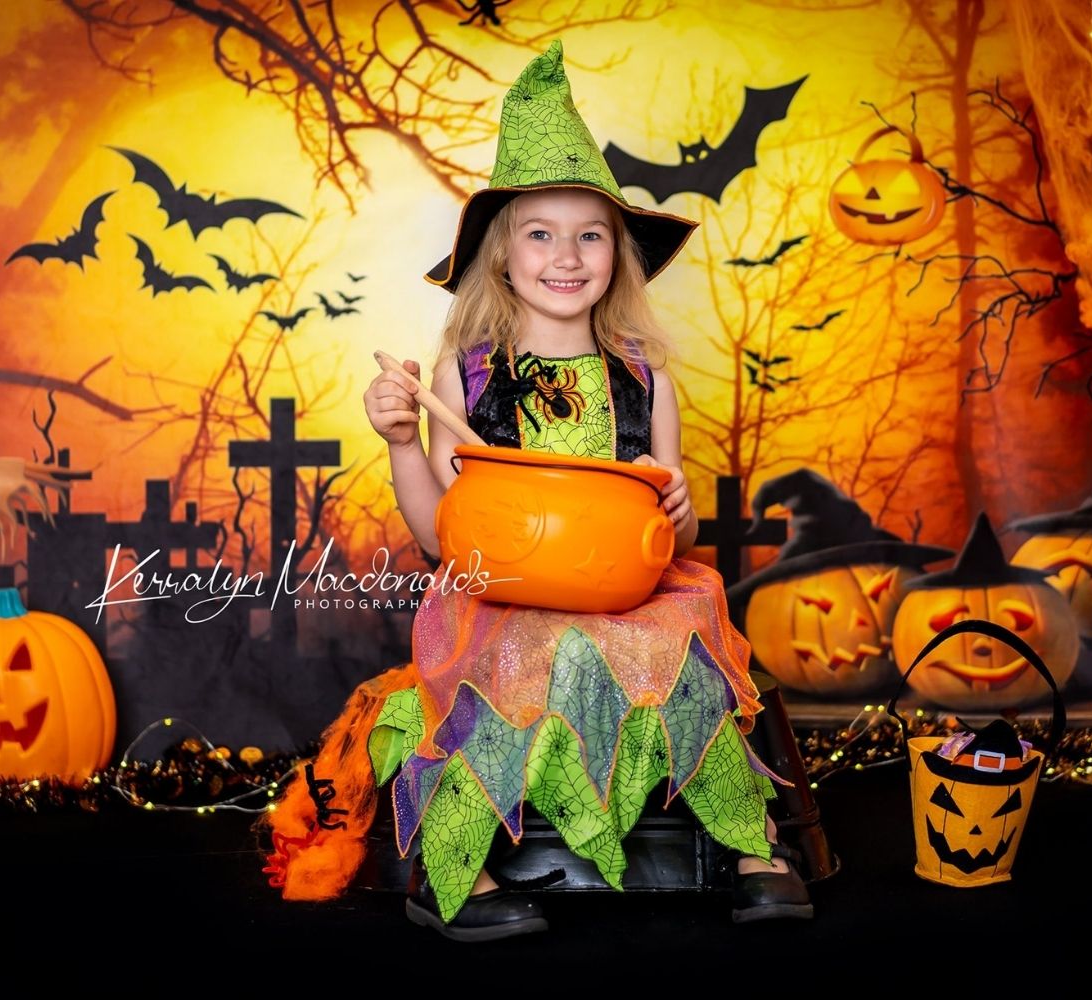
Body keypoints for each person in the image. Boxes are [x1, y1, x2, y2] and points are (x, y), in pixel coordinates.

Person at [262, 39, 811, 942]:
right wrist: (404, 441)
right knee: (505, 677)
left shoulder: (643, 374)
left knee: (690, 653)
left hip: (625, 594)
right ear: (502, 257)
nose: (567, 255)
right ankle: (457, 872)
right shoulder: (467, 374)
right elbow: (446, 538)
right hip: (505, 596)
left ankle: (747, 847)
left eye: (590, 233)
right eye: (540, 233)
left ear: (617, 254)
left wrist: (677, 510)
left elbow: (667, 519)